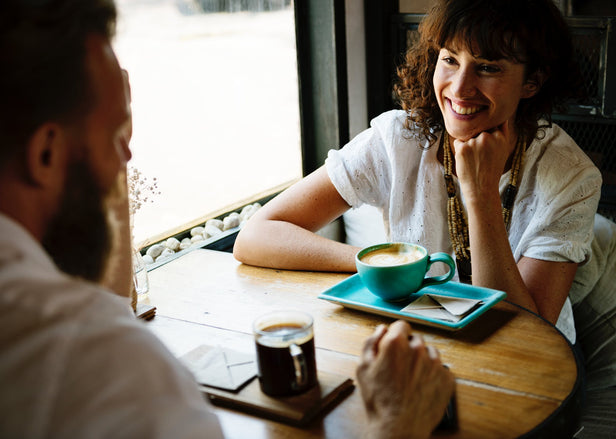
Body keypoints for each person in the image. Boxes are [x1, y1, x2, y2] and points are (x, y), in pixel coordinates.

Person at [0, 1, 454, 438]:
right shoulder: (108, 366)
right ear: (45, 154)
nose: (127, 160)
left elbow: (103, 303)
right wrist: (396, 424)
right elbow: (102, 314)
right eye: (116, 138)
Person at [233, 0, 602, 344]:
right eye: (450, 59)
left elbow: (524, 335)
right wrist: (383, 268)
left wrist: (481, 193)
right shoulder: (398, 139)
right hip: (420, 342)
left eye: (488, 67)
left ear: (532, 82)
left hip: (534, 367)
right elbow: (255, 237)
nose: (460, 88)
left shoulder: (572, 177)